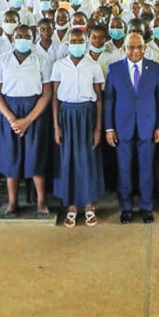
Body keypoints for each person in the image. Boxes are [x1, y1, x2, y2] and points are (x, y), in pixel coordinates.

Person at [0, 24, 54, 219]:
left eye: (27, 36)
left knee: (36, 156)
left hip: (35, 111)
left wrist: (28, 120)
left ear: (32, 38)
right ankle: (12, 202)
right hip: (9, 112)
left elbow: (47, 93)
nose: (23, 38)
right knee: (11, 157)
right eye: (19, 35)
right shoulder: (3, 60)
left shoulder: (42, 61)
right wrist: (11, 118)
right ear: (13, 38)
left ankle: (41, 201)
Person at [104, 32, 159, 224]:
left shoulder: (155, 68)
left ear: (144, 48)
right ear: (124, 49)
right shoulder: (114, 69)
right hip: (122, 127)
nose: (135, 51)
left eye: (139, 46)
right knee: (124, 169)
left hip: (148, 127)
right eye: (131, 47)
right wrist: (109, 128)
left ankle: (146, 207)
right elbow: (109, 100)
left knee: (146, 168)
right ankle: (126, 208)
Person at [51, 28, 105, 227]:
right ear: (68, 43)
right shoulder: (59, 66)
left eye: (80, 40)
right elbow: (55, 99)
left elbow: (99, 99)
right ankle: (71, 205)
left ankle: (89, 205)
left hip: (87, 114)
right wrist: (56, 126)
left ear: (87, 42)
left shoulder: (94, 65)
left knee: (87, 158)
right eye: (73, 41)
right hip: (66, 114)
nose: (77, 44)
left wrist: (98, 127)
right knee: (68, 159)